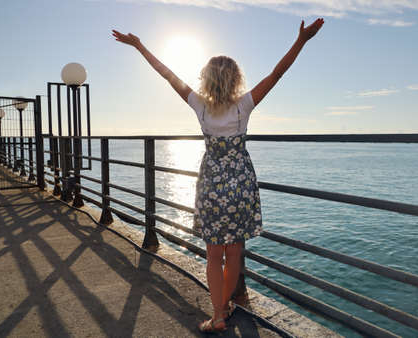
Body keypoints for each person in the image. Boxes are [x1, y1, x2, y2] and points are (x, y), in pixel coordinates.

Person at [112, 17, 324, 333]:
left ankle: (219, 315)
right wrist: (302, 41)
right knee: (234, 252)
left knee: (213, 255)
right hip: (240, 185)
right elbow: (277, 73)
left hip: (212, 185)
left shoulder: (201, 106)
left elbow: (166, 74)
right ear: (236, 79)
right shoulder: (244, 106)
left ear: (207, 80)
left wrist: (140, 45)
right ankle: (226, 306)